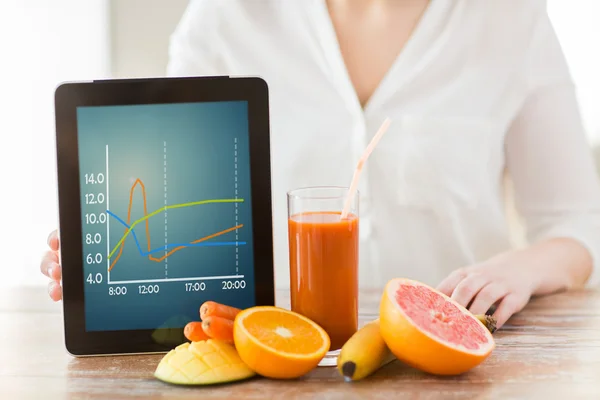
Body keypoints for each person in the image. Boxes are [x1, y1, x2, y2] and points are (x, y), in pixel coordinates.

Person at [40, 0, 600, 329]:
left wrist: (522, 267)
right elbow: (168, 196)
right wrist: (110, 260)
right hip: (274, 356)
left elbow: (577, 228)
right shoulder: (226, 16)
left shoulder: (511, 19)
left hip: (459, 359)